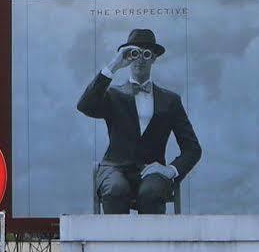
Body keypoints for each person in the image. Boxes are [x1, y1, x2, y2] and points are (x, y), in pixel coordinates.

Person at [75, 27, 202, 214]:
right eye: (134, 53)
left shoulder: (170, 100)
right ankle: (114, 243)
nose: (140, 59)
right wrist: (114, 65)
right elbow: (85, 105)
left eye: (146, 54)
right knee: (116, 190)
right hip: (115, 168)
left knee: (152, 193)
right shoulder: (113, 95)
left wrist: (171, 170)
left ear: (154, 58)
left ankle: (152, 244)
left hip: (151, 171)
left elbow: (193, 148)